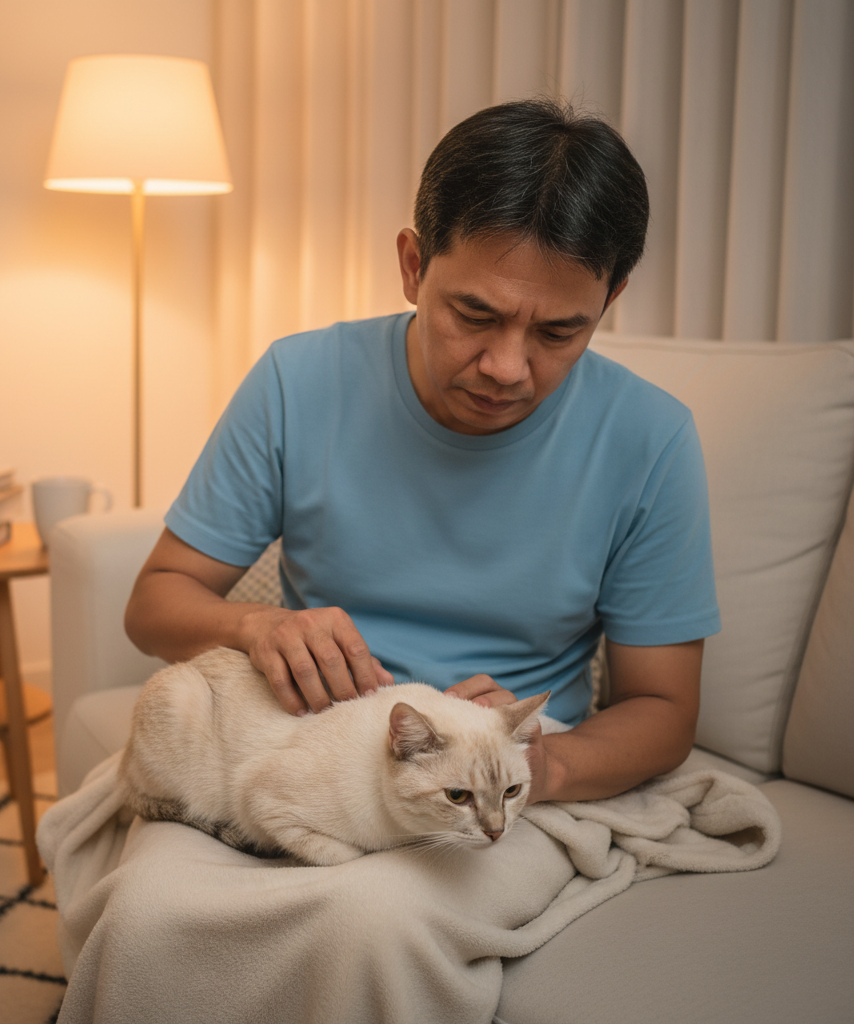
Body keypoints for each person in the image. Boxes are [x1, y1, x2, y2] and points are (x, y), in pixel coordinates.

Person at [124, 98, 720, 805]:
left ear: (611, 297)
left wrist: (546, 767)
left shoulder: (650, 439)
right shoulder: (298, 380)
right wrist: (256, 625)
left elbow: (664, 710)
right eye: (475, 314)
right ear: (413, 266)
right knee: (164, 872)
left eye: (558, 332)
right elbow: (153, 605)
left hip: (501, 786)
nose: (506, 367)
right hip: (315, 752)